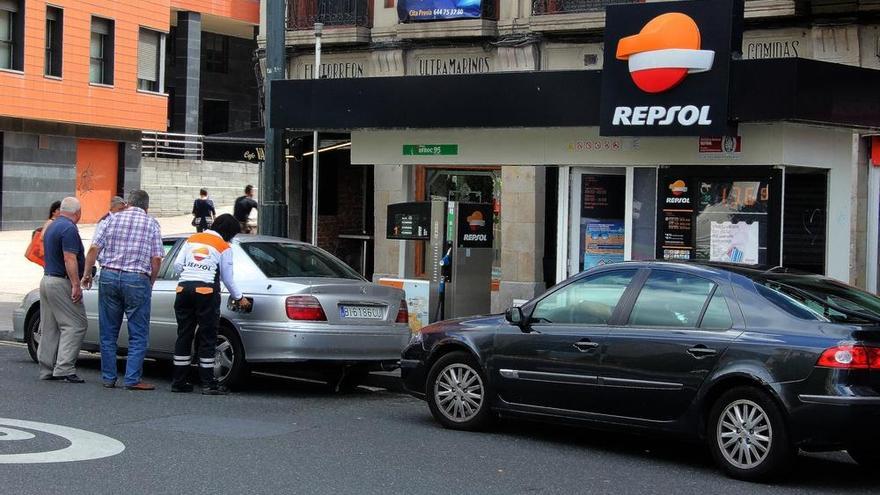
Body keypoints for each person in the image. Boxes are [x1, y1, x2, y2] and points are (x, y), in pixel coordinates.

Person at [81, 190, 163, 391]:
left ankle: (109, 377)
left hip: (109, 275)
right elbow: (157, 258)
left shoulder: (110, 220)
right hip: (136, 278)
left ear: (128, 203)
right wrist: (150, 281)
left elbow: (93, 249)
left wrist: (87, 274)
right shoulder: (151, 223)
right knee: (138, 332)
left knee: (108, 332)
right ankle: (132, 378)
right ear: (146, 206)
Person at [170, 214, 250, 395]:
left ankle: (179, 381)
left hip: (183, 290)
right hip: (206, 292)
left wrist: (192, 273)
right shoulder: (223, 246)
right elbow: (228, 278)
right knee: (207, 336)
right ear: (229, 232)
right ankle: (208, 383)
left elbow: (177, 266)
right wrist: (239, 297)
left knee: (184, 335)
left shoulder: (193, 239)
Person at [38, 197, 88, 383]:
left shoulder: (53, 225)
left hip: (47, 278)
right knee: (75, 324)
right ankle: (64, 368)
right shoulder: (69, 228)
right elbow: (69, 258)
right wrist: (76, 284)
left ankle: (46, 368)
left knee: (50, 326)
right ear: (78, 212)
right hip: (61, 281)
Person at [25, 200, 62, 267]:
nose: (61, 211)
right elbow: (42, 236)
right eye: (59, 209)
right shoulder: (51, 222)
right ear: (53, 212)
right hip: (47, 252)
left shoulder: (56, 222)